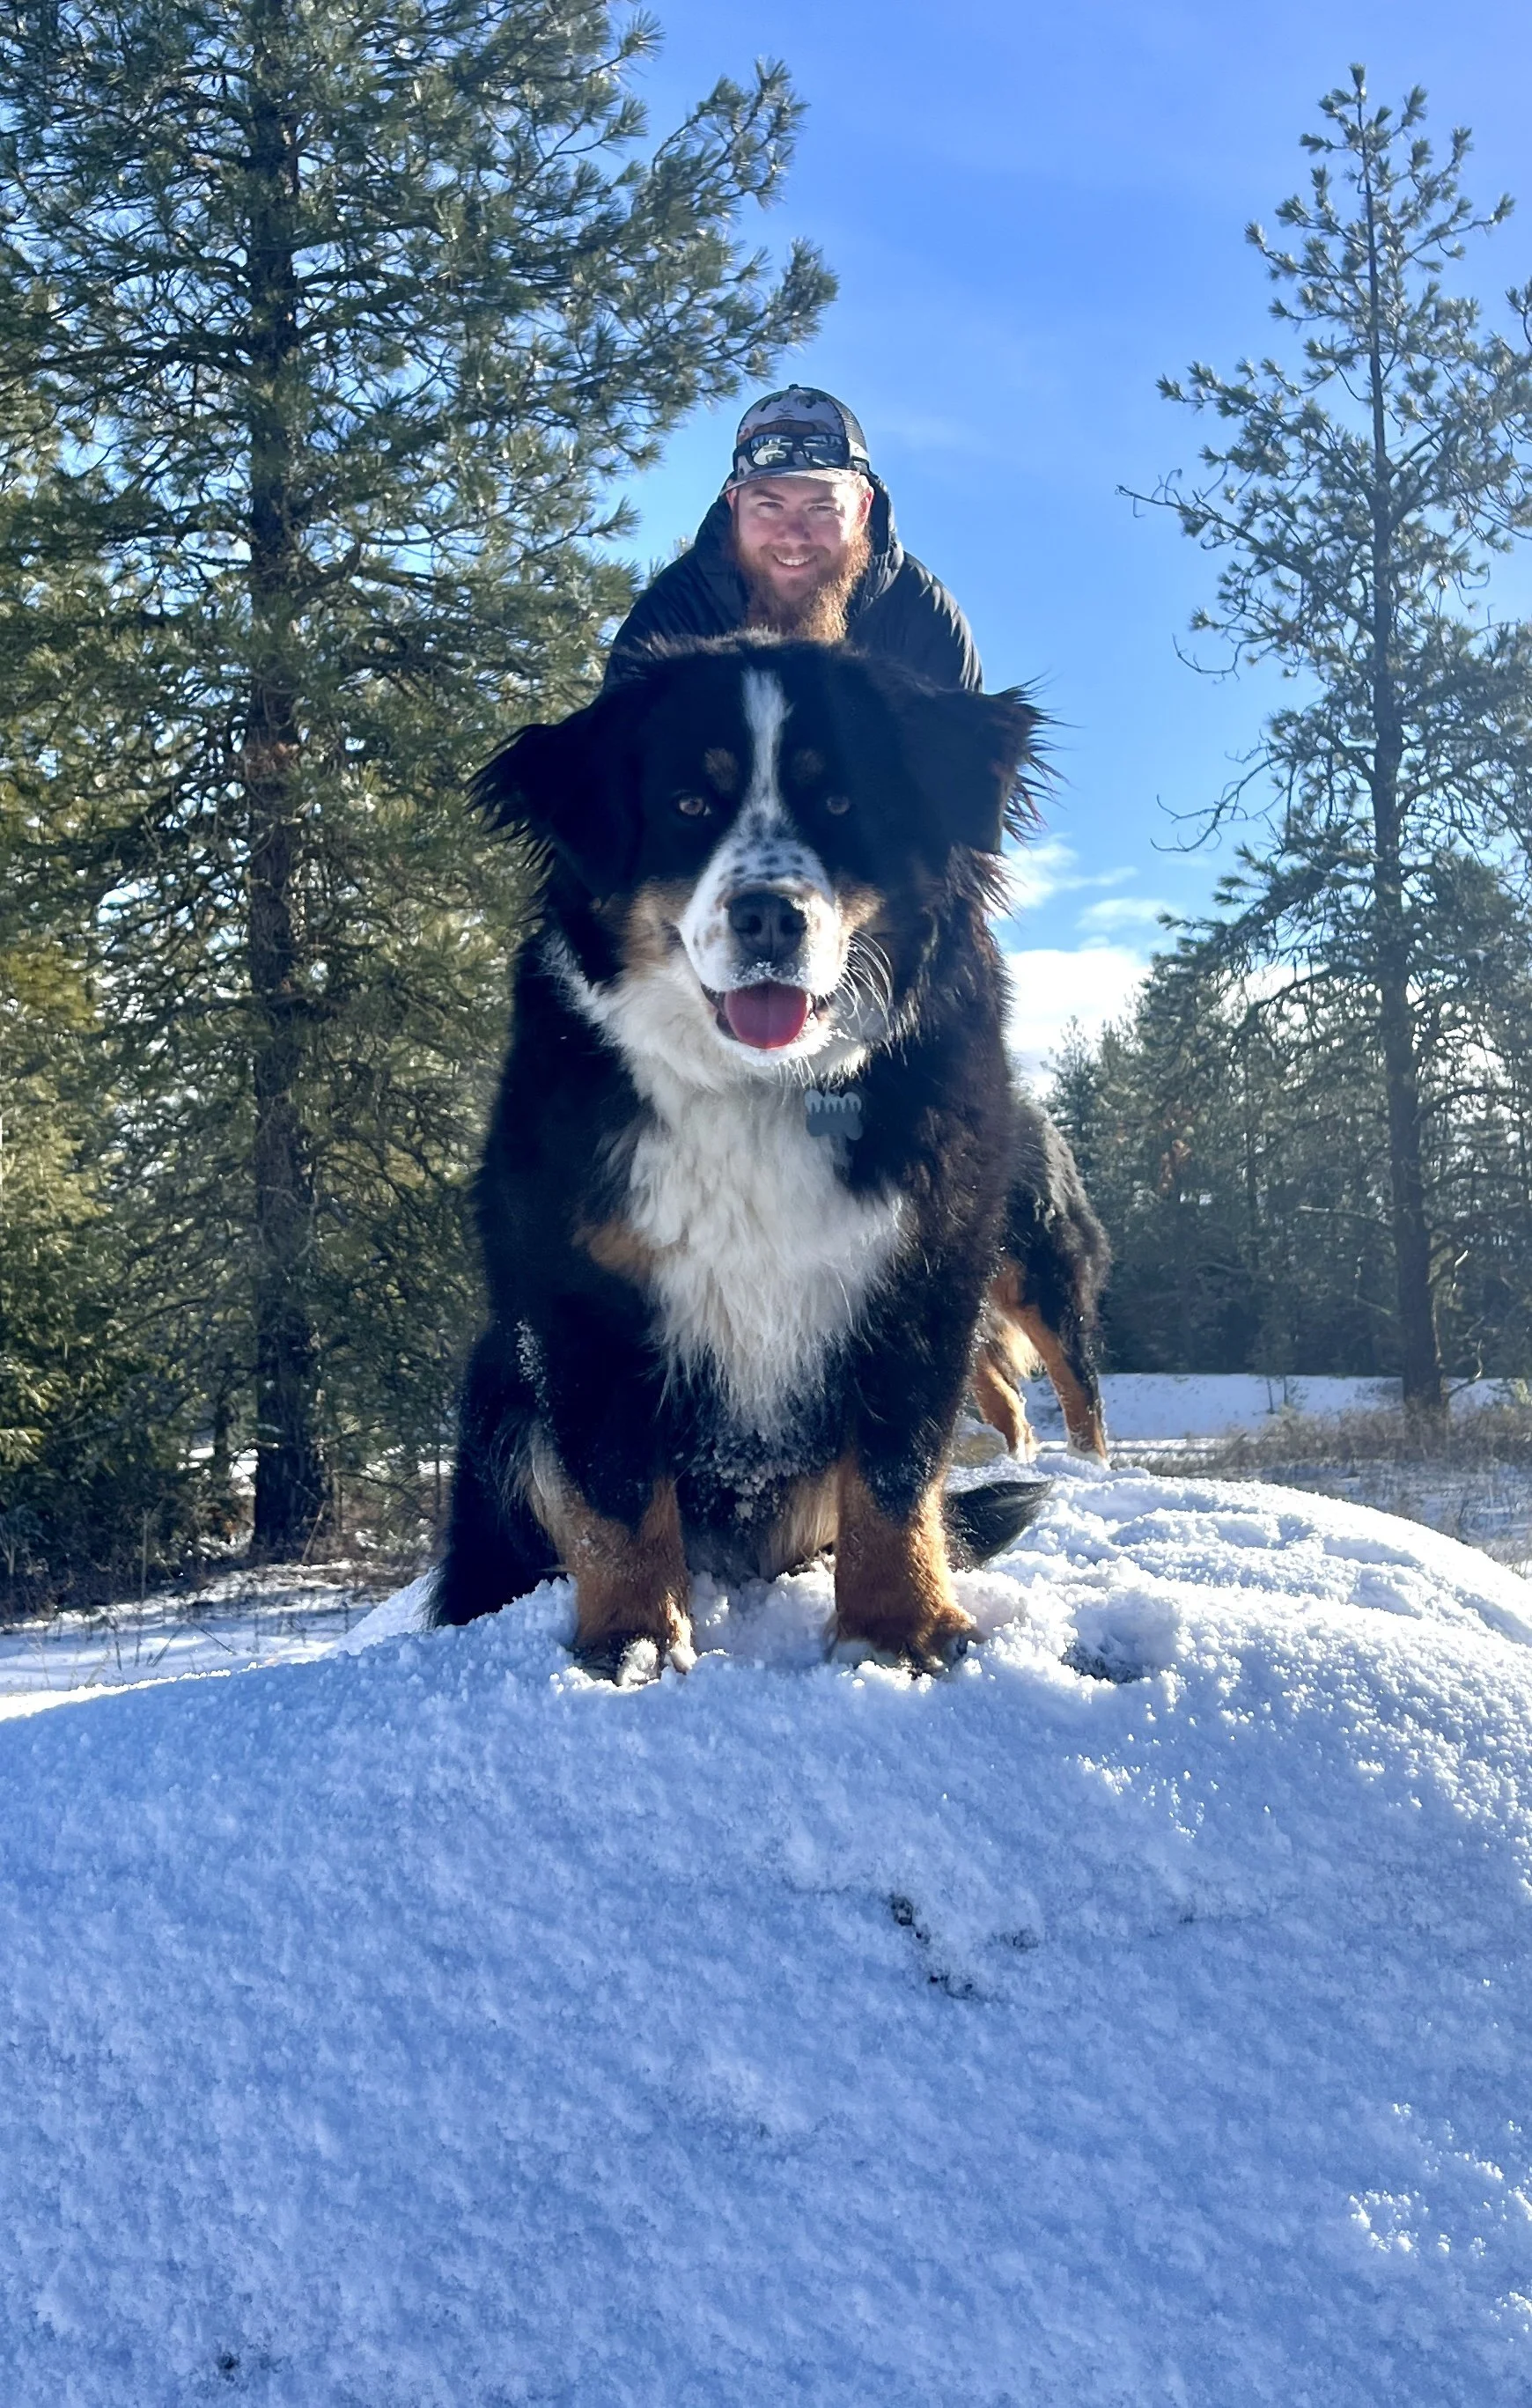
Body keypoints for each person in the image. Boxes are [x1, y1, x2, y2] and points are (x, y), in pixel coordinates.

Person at [603, 386, 983, 693]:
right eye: (769, 506)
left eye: (822, 509)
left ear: (863, 508)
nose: (793, 537)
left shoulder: (921, 618)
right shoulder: (674, 616)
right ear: (734, 505)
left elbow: (959, 781)